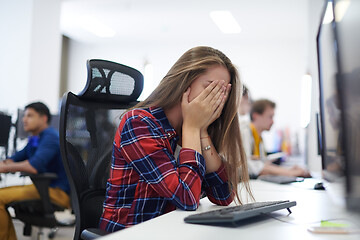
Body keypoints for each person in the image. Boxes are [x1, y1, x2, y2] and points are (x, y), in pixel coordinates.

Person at [99, 46, 253, 232]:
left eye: (222, 92)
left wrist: (201, 131)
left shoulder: (193, 127)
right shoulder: (139, 123)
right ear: (184, 83)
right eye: (210, 87)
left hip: (169, 229)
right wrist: (192, 127)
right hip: (129, 232)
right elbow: (187, 198)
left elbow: (224, 196)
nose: (216, 99)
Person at [0, 102, 70, 240]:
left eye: (30, 116)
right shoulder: (35, 139)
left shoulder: (50, 137)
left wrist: (4, 168)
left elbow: (33, 166)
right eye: (24, 116)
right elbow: (14, 159)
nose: (24, 119)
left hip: (57, 192)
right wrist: (5, 163)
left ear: (43, 118)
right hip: (42, 188)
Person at [241, 98, 310, 178]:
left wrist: (289, 169)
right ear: (256, 116)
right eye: (270, 117)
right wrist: (290, 173)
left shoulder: (259, 138)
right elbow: (251, 167)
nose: (273, 122)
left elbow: (263, 165)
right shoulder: (244, 131)